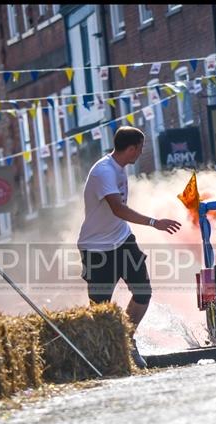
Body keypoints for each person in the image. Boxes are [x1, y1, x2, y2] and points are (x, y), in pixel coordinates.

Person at [77, 126, 181, 369]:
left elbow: (119, 215)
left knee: (143, 291)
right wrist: (155, 223)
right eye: (141, 148)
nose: (141, 153)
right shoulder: (104, 171)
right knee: (100, 307)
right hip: (96, 247)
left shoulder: (119, 170)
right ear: (132, 148)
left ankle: (127, 339)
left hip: (122, 239)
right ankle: (100, 356)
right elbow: (118, 209)